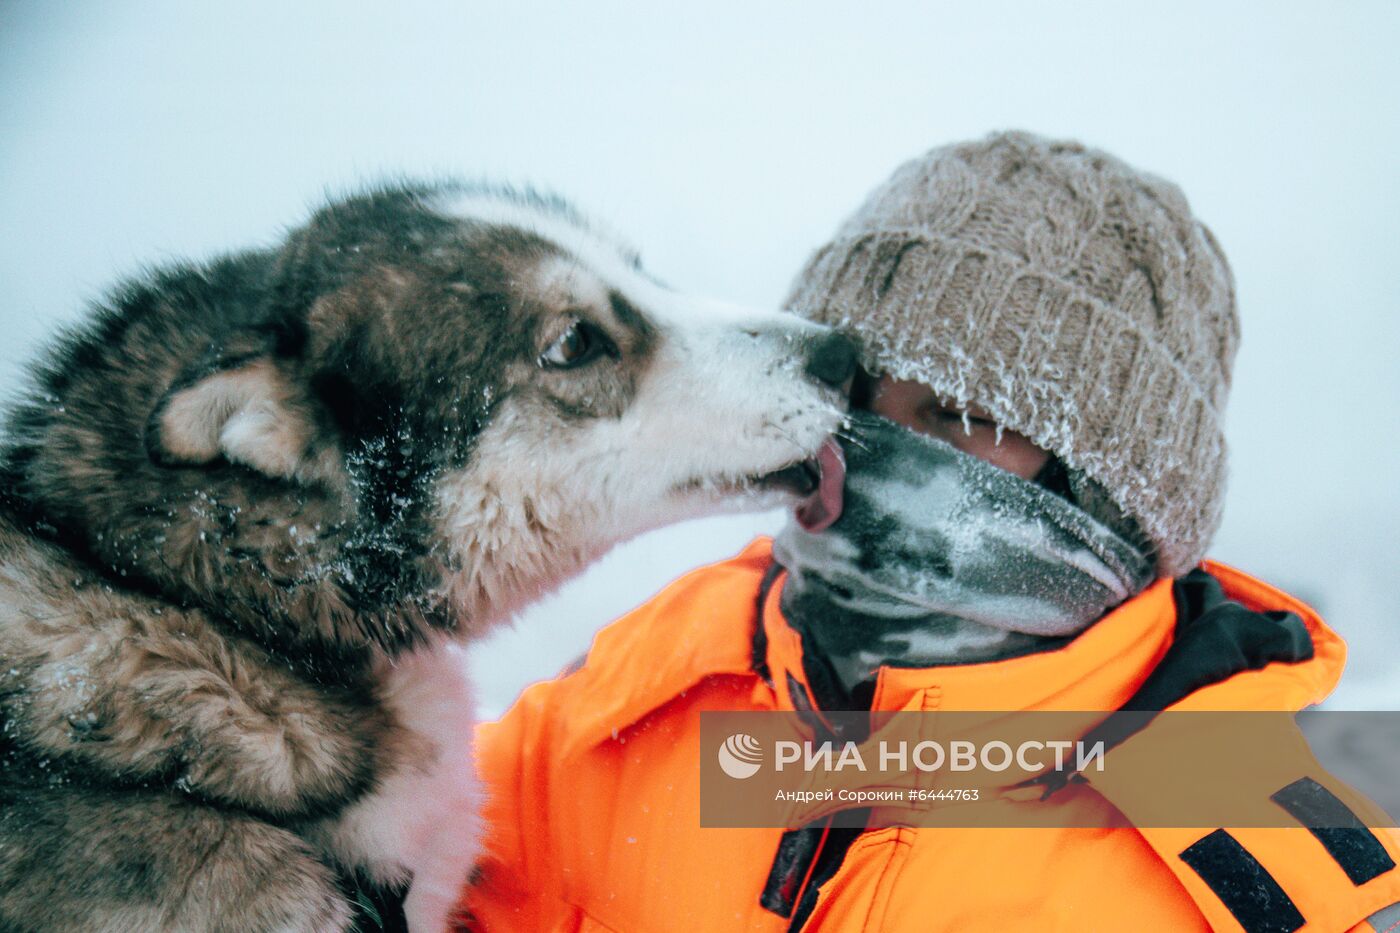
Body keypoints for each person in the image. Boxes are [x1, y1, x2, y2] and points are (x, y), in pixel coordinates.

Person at [449, 132, 1400, 931]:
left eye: (962, 418)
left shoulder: (1271, 878)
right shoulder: (652, 681)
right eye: (855, 397)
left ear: (1110, 490)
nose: (877, 456)